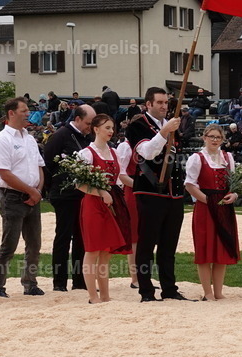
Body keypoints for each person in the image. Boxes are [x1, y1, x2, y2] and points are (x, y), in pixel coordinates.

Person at [126, 86, 190, 302]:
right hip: (150, 191)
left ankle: (169, 289)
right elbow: (146, 152)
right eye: (160, 103)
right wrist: (164, 133)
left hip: (174, 193)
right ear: (148, 104)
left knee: (169, 245)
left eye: (166, 103)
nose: (164, 106)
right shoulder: (137, 126)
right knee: (146, 244)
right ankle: (146, 291)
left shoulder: (172, 126)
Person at [0, 97, 44, 297]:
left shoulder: (29, 138)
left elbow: (39, 166)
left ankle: (30, 283)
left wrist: (37, 191)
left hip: (33, 196)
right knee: (9, 245)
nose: (28, 113)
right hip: (12, 197)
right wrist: (31, 192)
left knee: (34, 244)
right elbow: (4, 173)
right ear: (11, 113)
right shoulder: (2, 139)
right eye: (24, 110)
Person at [77, 114, 133, 304]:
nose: (111, 131)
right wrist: (101, 192)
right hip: (94, 205)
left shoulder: (115, 152)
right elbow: (79, 184)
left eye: (112, 128)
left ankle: (106, 295)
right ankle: (93, 296)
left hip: (113, 202)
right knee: (93, 250)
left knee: (106, 252)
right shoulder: (86, 153)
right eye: (107, 127)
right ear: (96, 129)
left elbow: (120, 178)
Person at [185, 123, 240, 301]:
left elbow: (233, 183)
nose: (215, 140)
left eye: (218, 137)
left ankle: (218, 291)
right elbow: (190, 185)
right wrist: (208, 201)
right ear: (204, 137)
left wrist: (234, 194)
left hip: (224, 208)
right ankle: (207, 292)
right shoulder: (197, 158)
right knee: (205, 250)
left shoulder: (227, 157)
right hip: (205, 208)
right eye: (212, 137)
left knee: (221, 250)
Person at [42, 103, 94, 292]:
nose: (90, 126)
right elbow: (47, 162)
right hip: (64, 194)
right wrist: (53, 188)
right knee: (63, 237)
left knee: (81, 238)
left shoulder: (88, 137)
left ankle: (79, 281)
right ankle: (59, 281)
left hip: (83, 194)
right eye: (88, 122)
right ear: (77, 119)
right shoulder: (60, 135)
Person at [114, 132, 140, 289]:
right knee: (135, 238)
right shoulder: (126, 147)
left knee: (144, 237)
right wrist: (139, 186)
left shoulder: (144, 146)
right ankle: (135, 278)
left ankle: (143, 276)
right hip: (133, 192)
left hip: (144, 192)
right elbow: (121, 174)